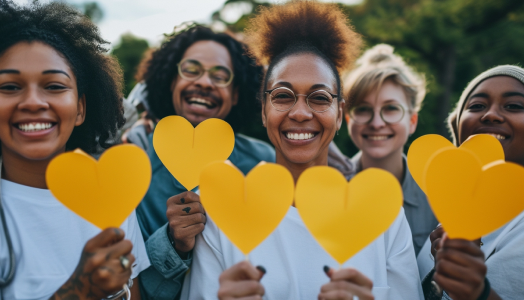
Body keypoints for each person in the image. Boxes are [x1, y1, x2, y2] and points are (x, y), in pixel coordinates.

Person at [180, 2, 423, 299]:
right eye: (283, 96)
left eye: (319, 98)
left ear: (339, 112)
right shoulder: (218, 208)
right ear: (263, 110)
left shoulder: (385, 216)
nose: (299, 113)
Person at [0, 1, 149, 299]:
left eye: (54, 86)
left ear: (81, 109)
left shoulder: (115, 197)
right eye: (9, 87)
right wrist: (79, 291)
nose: (32, 102)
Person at [132, 25, 276, 298]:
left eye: (221, 76)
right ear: (171, 82)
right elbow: (131, 286)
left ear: (236, 94)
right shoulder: (136, 168)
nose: (204, 83)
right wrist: (173, 243)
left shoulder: (264, 161)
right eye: (191, 70)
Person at [418, 65, 524, 300]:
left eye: (514, 105)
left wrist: (479, 293)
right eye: (476, 106)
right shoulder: (451, 212)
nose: (490, 115)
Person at [343, 44, 437, 256]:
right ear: (349, 119)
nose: (377, 123)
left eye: (391, 109)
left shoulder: (437, 196)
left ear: (412, 121)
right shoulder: (328, 191)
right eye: (364, 110)